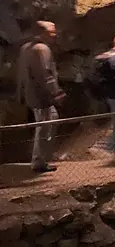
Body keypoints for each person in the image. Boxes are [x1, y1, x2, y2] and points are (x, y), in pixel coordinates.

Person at [16, 21, 65, 173]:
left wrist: (20, 93)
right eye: (52, 32)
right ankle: (39, 161)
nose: (55, 35)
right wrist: (56, 93)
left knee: (47, 122)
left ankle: (41, 157)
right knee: (45, 126)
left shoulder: (25, 48)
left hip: (31, 94)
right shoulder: (42, 49)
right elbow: (47, 74)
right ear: (42, 33)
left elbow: (21, 74)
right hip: (42, 96)